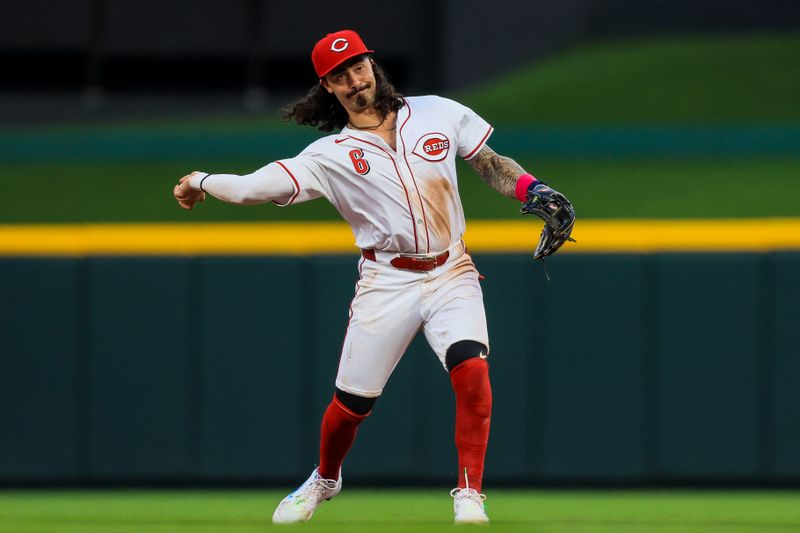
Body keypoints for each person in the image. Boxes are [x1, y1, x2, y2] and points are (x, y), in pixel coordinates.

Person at [173, 29, 573, 525]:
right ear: (329, 87)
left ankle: (470, 493)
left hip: (452, 270)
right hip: (387, 282)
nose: (354, 80)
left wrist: (533, 190)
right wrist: (202, 181)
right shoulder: (329, 156)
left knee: (472, 371)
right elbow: (256, 187)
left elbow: (489, 164)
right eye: (340, 75)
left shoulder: (436, 112)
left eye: (358, 67)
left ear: (372, 65)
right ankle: (325, 478)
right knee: (350, 405)